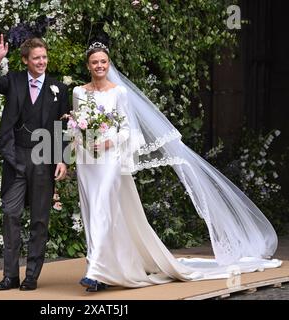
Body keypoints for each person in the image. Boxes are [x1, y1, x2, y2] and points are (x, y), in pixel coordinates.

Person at [71, 41, 282, 292]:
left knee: (102, 208)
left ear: (109, 64)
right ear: (88, 65)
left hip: (110, 160)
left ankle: (95, 270)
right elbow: (76, 126)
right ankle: (104, 268)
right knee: (92, 210)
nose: (99, 66)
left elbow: (128, 130)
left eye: (103, 61)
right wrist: (78, 148)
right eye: (94, 62)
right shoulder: (78, 92)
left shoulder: (119, 93)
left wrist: (108, 142)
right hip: (88, 162)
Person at [0, 34, 70, 291]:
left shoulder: (58, 89)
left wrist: (63, 159)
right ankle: (10, 276)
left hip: (43, 159)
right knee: (10, 215)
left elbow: (62, 127)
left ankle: (31, 275)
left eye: (44, 57)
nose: (42, 61)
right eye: (36, 58)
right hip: (15, 158)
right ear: (25, 60)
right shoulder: (14, 81)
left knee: (40, 219)